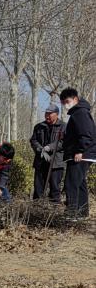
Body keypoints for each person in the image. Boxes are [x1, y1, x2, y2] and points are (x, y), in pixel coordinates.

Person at [59, 88, 95, 220]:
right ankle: (82, 213)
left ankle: (72, 214)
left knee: (71, 183)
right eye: (63, 102)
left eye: (67, 101)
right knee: (80, 183)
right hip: (85, 153)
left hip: (81, 154)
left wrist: (80, 150)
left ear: (75, 99)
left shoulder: (79, 113)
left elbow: (86, 134)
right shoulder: (79, 112)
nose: (65, 104)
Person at [30, 104, 66, 203]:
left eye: (50, 113)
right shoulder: (39, 126)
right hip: (41, 161)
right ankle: (37, 209)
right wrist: (40, 149)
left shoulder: (63, 126)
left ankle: (53, 212)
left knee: (55, 188)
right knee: (38, 188)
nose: (47, 116)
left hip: (56, 163)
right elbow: (33, 140)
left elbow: (64, 142)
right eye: (46, 113)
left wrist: (50, 147)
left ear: (56, 114)